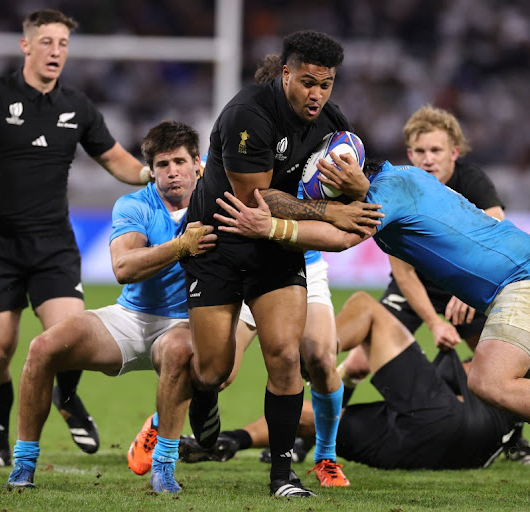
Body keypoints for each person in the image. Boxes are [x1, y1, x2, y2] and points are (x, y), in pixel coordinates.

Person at [213, 157, 530, 499]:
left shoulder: (391, 188)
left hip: (524, 282)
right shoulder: (399, 183)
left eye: (328, 190)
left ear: (350, 169)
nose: (329, 202)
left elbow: (343, 238)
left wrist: (270, 226)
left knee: (489, 381)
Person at [0, 8, 153, 468]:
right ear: (26, 46)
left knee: (69, 336)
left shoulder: (77, 107)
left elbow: (118, 160)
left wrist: (156, 173)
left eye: (63, 45)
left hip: (53, 242)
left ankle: (67, 397)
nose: (56, 52)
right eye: (48, 43)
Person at [180, 30, 381, 497]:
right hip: (218, 243)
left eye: (326, 84)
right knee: (213, 369)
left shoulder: (332, 124)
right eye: (308, 82)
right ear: (286, 72)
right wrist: (334, 210)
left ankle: (282, 477)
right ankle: (204, 402)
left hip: (274, 249)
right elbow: (256, 201)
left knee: (287, 356)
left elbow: (354, 191)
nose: (317, 95)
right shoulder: (246, 114)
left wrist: (357, 188)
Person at [4, 120, 216, 491]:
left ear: (198, 163)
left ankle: (163, 467)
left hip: (185, 322)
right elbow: (123, 267)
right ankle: (23, 464)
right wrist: (181, 246)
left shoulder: (215, 202)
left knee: (185, 352)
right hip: (129, 318)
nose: (173, 172)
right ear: (150, 171)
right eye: (163, 165)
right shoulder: (135, 204)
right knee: (42, 349)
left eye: (180, 162)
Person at [366, 104, 530, 465]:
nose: (428, 159)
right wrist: (434, 323)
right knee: (356, 363)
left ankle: (514, 440)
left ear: (454, 153)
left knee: (507, 366)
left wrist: (467, 289)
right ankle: (317, 434)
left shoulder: (473, 181)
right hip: (415, 285)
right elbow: (403, 273)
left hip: (464, 285)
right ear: (409, 154)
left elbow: (497, 232)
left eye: (436, 151)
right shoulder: (398, 187)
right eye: (420, 151)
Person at [180, 291, 521, 471]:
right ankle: (229, 441)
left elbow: (357, 366)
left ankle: (314, 354)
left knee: (365, 307)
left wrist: (328, 369)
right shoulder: (510, 381)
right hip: (428, 452)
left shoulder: (479, 372)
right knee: (312, 422)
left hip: (442, 423)